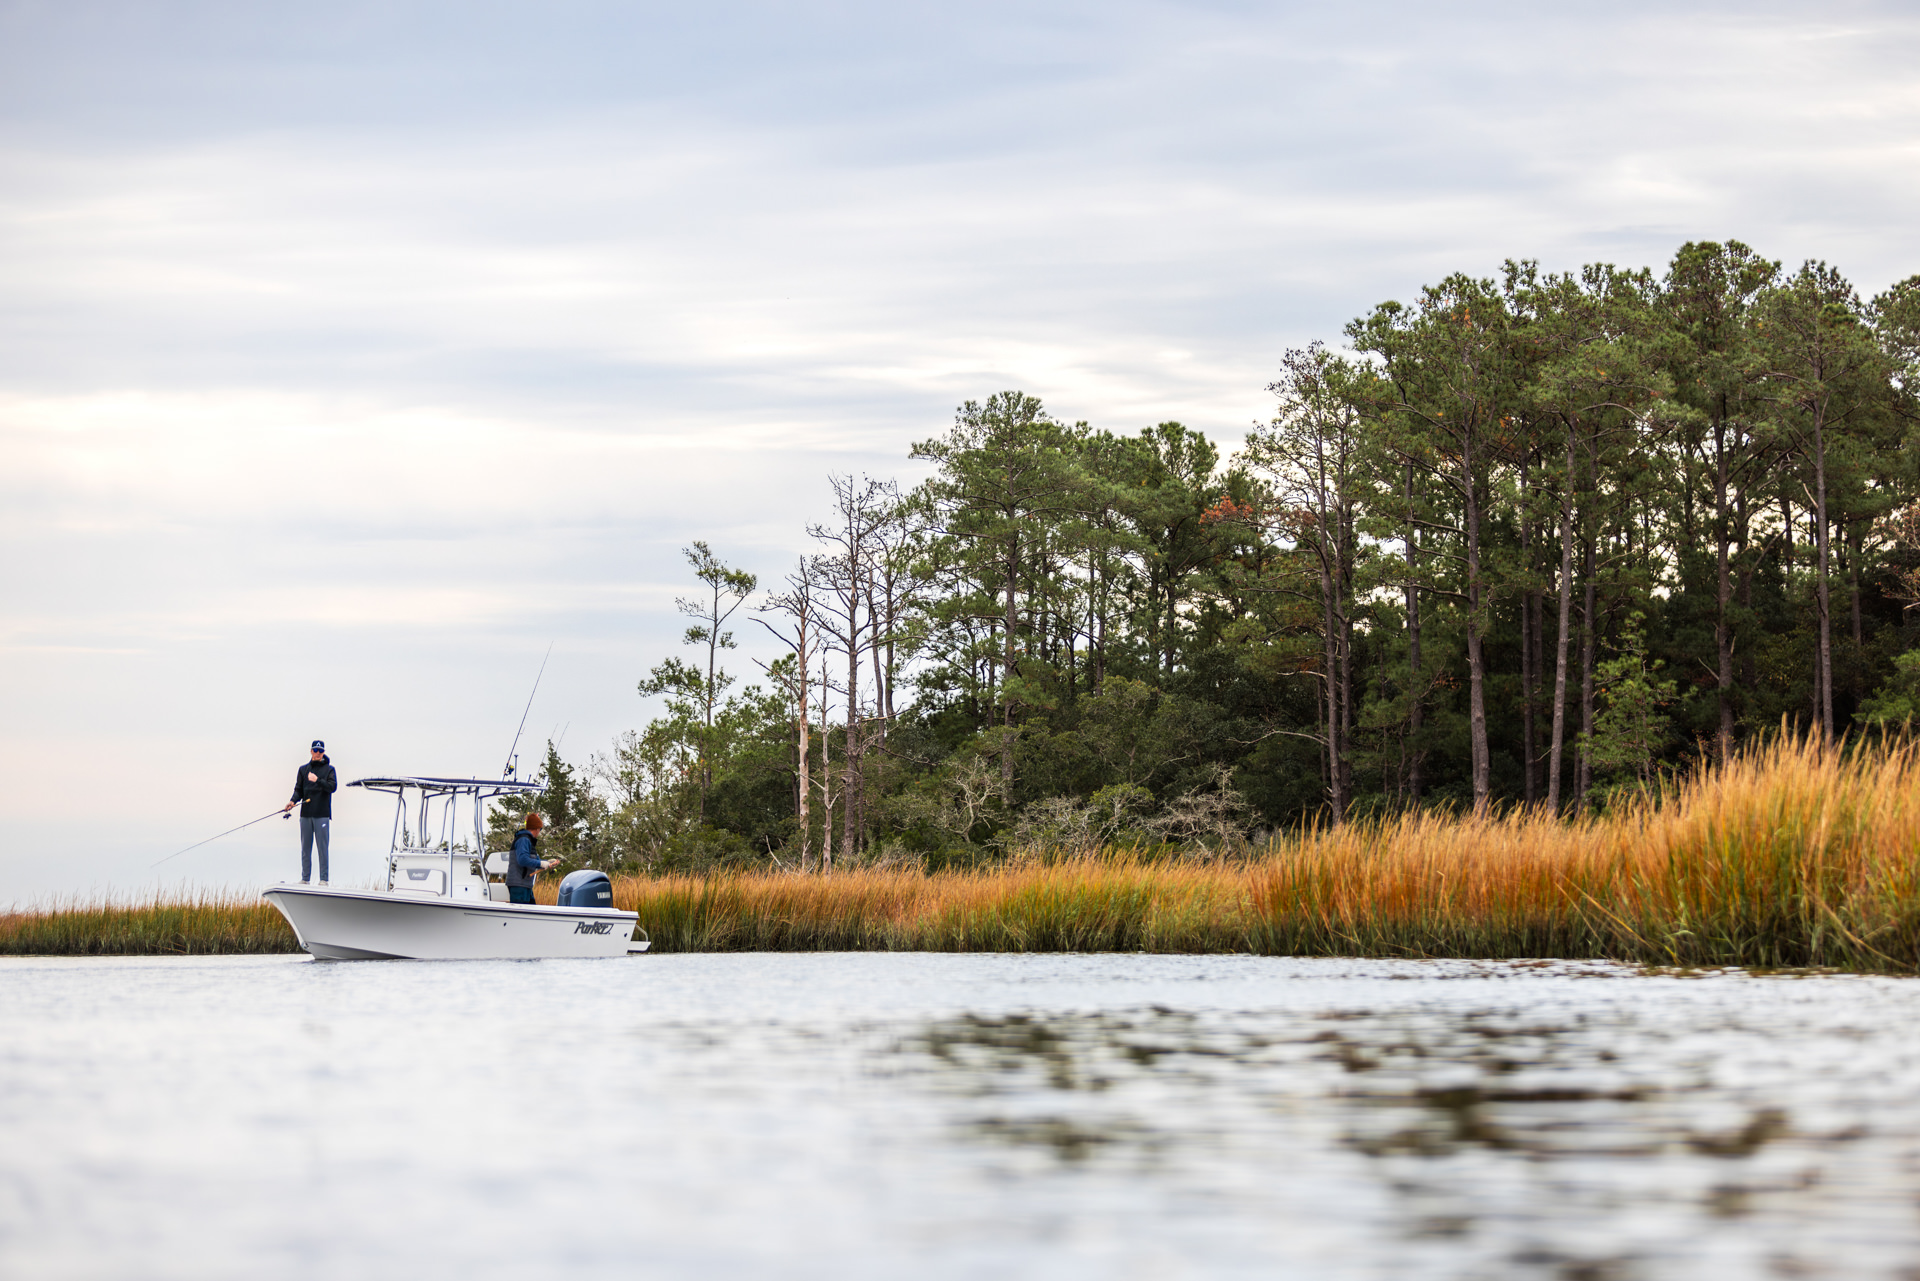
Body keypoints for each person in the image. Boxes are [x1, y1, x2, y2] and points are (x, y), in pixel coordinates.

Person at [282, 740, 338, 885]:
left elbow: (332, 787)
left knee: (322, 848)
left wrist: (317, 780)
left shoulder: (330, 770)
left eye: (320, 751)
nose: (318, 753)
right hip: (305, 815)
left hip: (322, 815)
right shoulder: (303, 769)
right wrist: (292, 801)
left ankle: (323, 880)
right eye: (315, 750)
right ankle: (305, 879)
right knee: (306, 849)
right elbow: (298, 789)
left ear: (323, 752)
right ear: (311, 751)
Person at [504, 812, 560, 905]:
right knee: (521, 915)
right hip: (519, 885)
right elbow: (522, 859)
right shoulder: (523, 839)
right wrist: (541, 863)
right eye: (540, 829)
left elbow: (533, 862)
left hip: (525, 885)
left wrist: (547, 863)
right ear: (537, 829)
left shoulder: (527, 840)